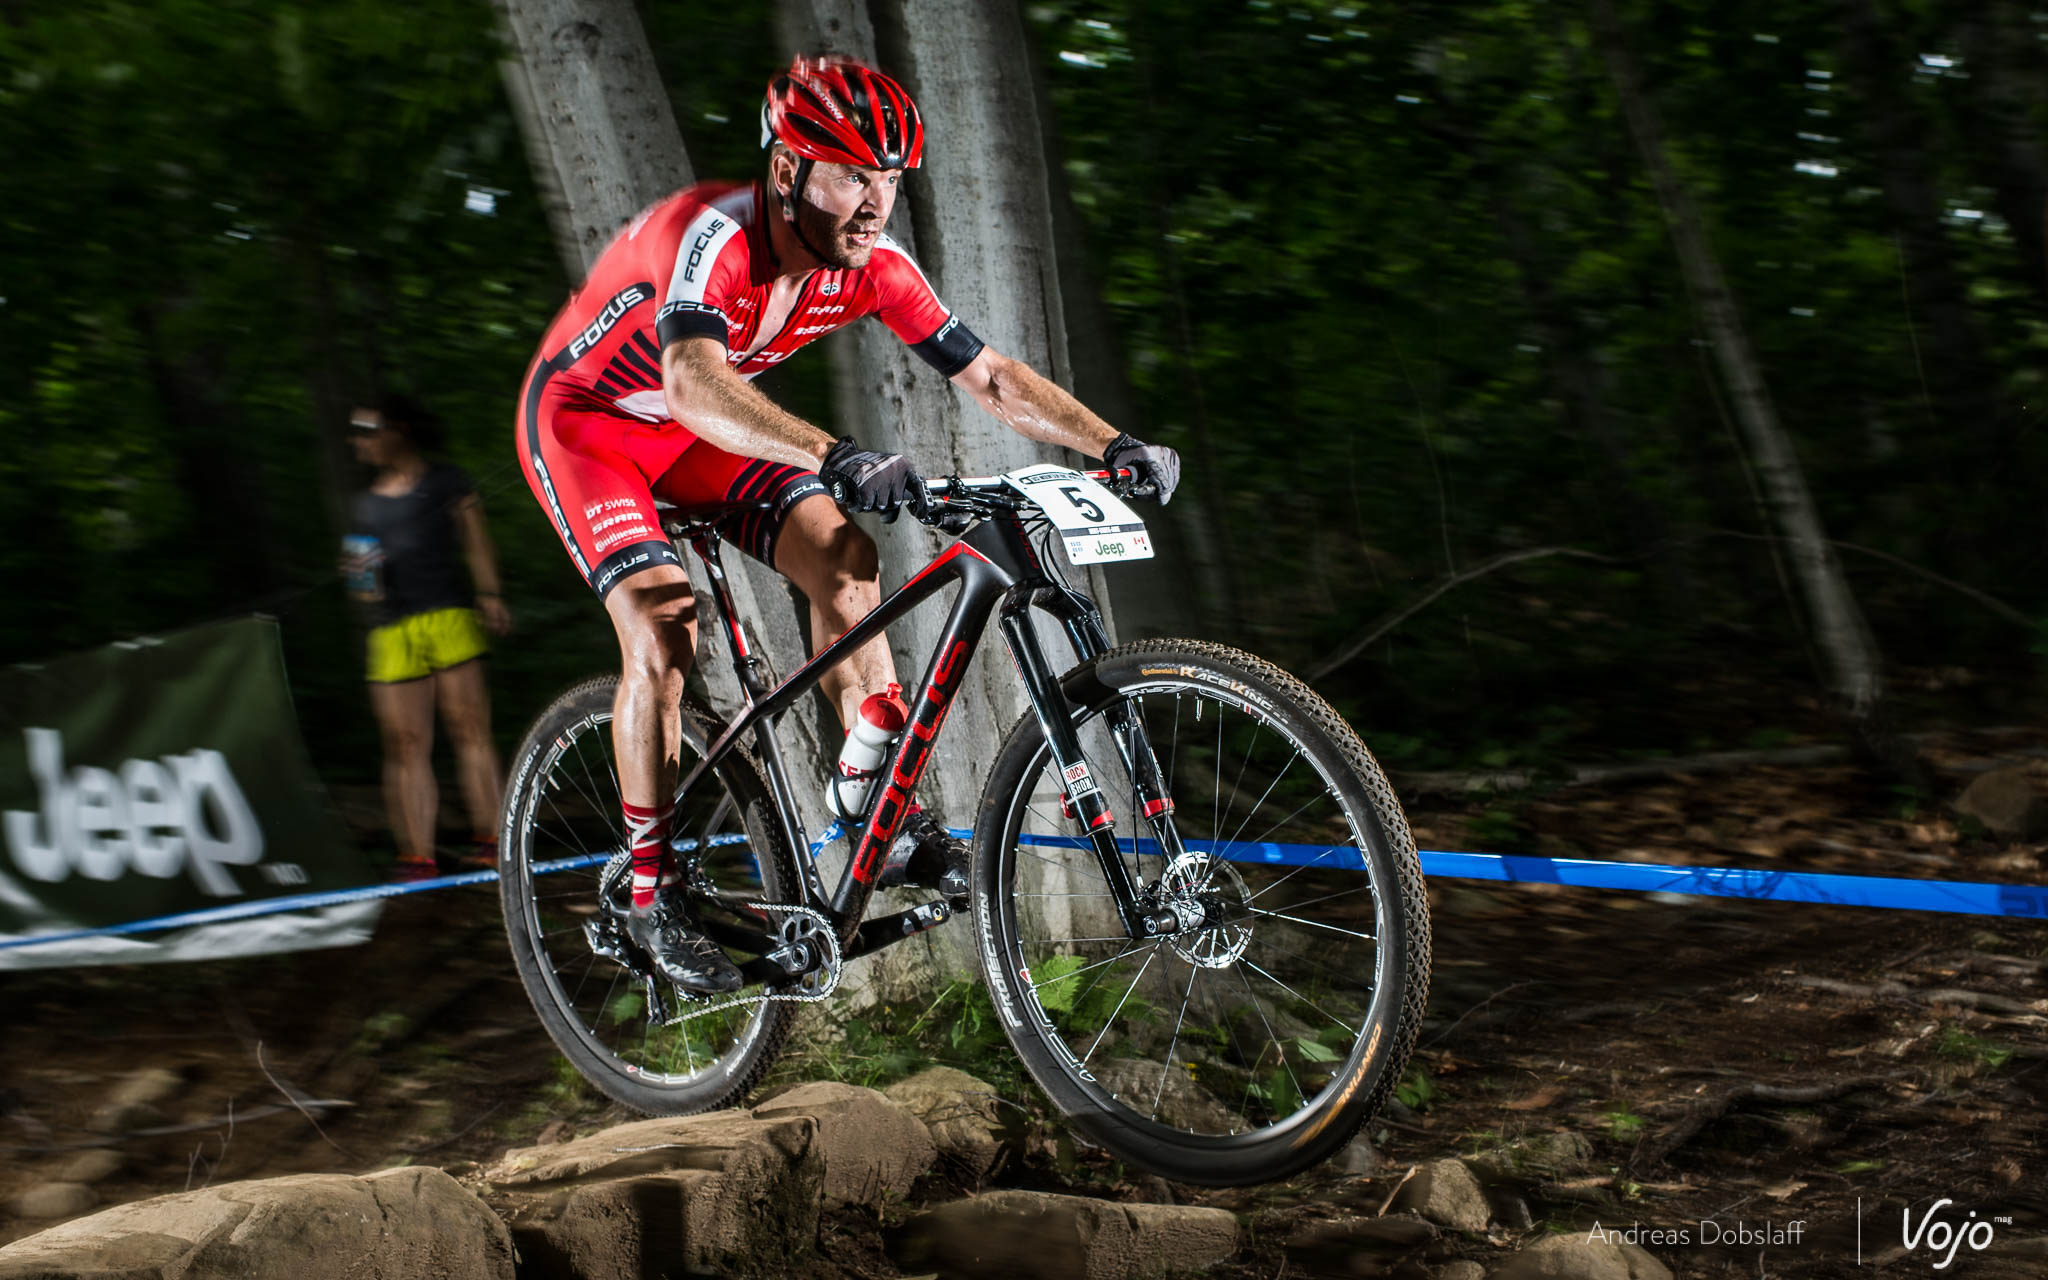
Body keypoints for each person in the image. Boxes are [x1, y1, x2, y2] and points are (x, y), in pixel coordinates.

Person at [513, 55, 1181, 993]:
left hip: (700, 432)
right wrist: (831, 453)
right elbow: (690, 381)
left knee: (844, 554)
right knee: (664, 628)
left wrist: (1112, 441)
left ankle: (868, 801)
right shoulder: (716, 236)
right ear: (787, 169)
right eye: (852, 176)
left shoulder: (868, 268)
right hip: (594, 425)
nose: (875, 204)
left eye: (890, 182)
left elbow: (989, 375)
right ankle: (650, 891)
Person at [346, 393, 515, 882]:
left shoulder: (447, 481)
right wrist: (361, 576)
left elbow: (476, 540)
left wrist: (490, 593)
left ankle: (494, 840)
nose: (361, 442)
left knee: (470, 731)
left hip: (449, 615)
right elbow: (362, 589)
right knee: (404, 743)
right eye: (356, 434)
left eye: (368, 429)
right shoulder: (364, 505)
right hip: (391, 627)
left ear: (399, 429)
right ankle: (416, 856)